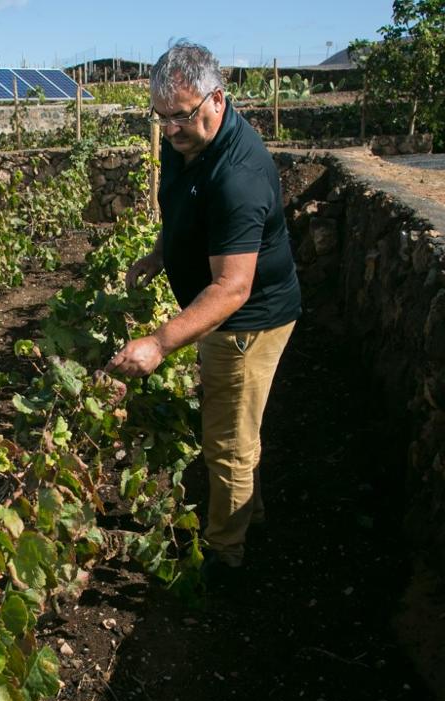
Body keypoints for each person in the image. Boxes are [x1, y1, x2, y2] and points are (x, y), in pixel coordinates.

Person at [105, 41, 301, 573]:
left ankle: (225, 554)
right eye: (161, 116)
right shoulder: (185, 141)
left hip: (247, 320)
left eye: (181, 116)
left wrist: (159, 342)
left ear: (217, 98)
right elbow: (184, 209)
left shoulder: (238, 174)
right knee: (235, 424)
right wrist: (161, 252)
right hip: (221, 308)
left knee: (228, 443)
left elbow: (233, 288)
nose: (169, 129)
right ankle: (249, 515)